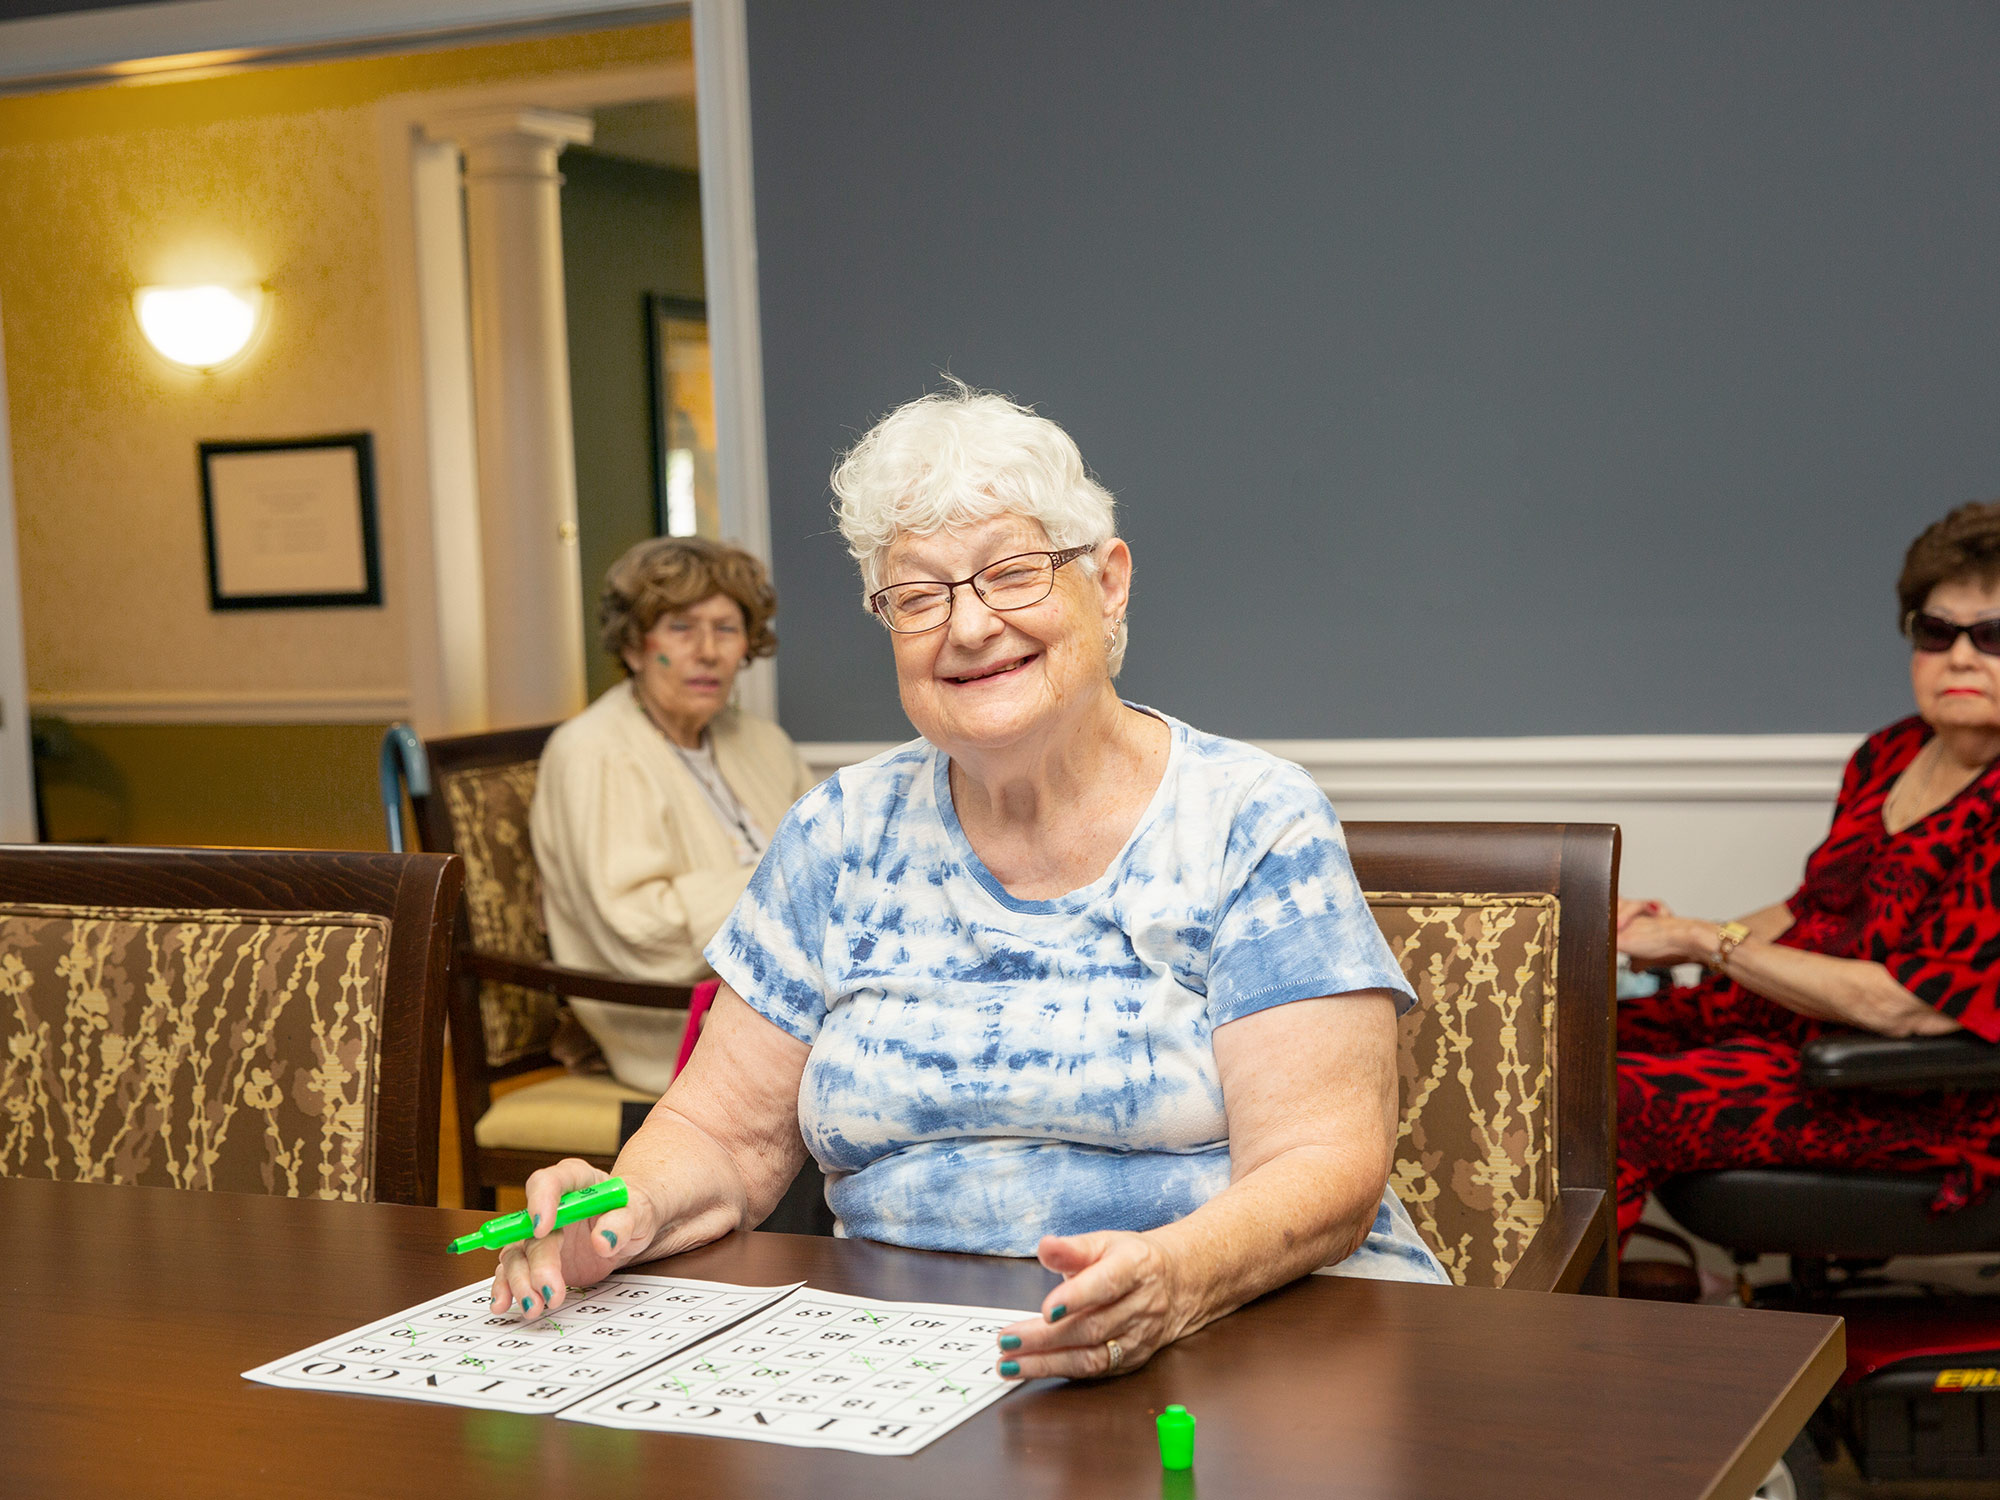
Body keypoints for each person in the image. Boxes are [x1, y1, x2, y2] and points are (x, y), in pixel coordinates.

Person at [492, 384, 1449, 1364]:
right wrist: (623, 1208)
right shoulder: (836, 832)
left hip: (1250, 1332)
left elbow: (1323, 1163)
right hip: (909, 1354)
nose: (968, 625)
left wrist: (1175, 1277)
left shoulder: (1249, 819)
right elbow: (719, 1133)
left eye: (1012, 573)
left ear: (1107, 583)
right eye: (917, 594)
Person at [1615, 501, 2000, 1245]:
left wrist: (1702, 942)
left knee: (1619, 1099)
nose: (1959, 657)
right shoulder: (1888, 754)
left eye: (1992, 635)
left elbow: (1906, 1007)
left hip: (1920, 1092)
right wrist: (1649, 933)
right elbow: (1812, 911)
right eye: (1936, 631)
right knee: (1566, 1045)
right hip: (1800, 1035)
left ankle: (1554, 1339)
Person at [531, 537, 818, 1094]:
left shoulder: (759, 741)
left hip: (781, 999)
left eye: (727, 629)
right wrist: (788, 885)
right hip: (671, 1021)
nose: (708, 651)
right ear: (636, 646)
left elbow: (832, 862)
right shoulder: (595, 752)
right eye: (682, 628)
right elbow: (644, 932)